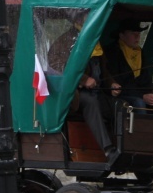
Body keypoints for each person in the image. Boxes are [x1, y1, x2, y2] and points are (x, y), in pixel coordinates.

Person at [48, 23, 121, 166]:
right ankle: (108, 150)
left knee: (119, 106)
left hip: (97, 91)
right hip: (74, 93)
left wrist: (111, 83)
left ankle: (122, 150)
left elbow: (102, 68)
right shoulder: (67, 39)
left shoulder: (94, 37)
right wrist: (83, 79)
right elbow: (56, 63)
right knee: (91, 102)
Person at [105, 19, 153, 117]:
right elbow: (118, 84)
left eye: (138, 34)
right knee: (138, 103)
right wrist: (142, 96)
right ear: (121, 35)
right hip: (122, 96)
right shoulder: (112, 52)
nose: (137, 37)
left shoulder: (139, 52)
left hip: (141, 95)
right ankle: (141, 132)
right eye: (133, 33)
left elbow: (146, 78)